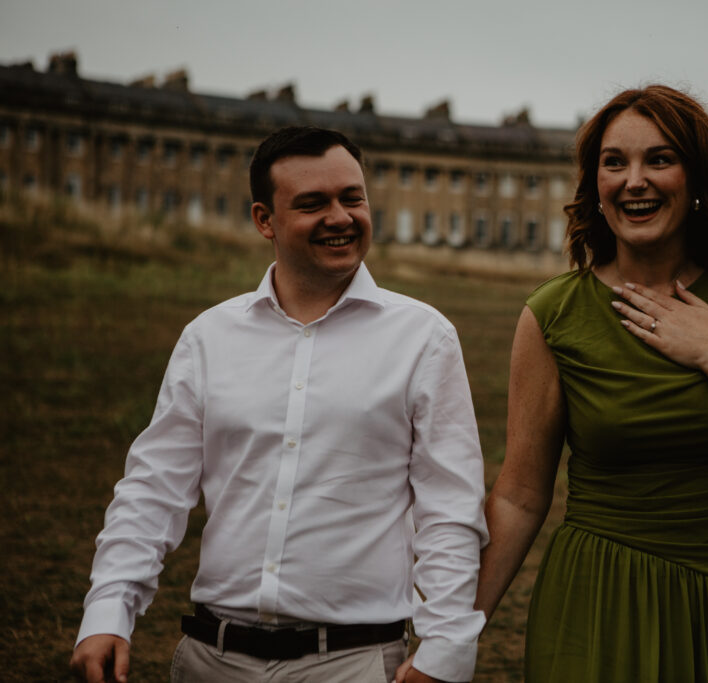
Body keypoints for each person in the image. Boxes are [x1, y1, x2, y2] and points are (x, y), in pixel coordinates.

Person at [70, 126, 488, 683]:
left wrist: (444, 651)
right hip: (209, 660)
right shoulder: (209, 337)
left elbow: (451, 511)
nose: (340, 217)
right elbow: (153, 488)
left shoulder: (424, 338)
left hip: (354, 663)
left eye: (352, 197)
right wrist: (107, 611)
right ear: (264, 220)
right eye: (313, 203)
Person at [475, 86, 708, 682]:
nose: (634, 180)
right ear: (595, 184)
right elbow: (520, 496)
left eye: (660, 159)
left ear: (695, 178)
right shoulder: (553, 315)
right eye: (614, 162)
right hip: (600, 607)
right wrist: (450, 636)